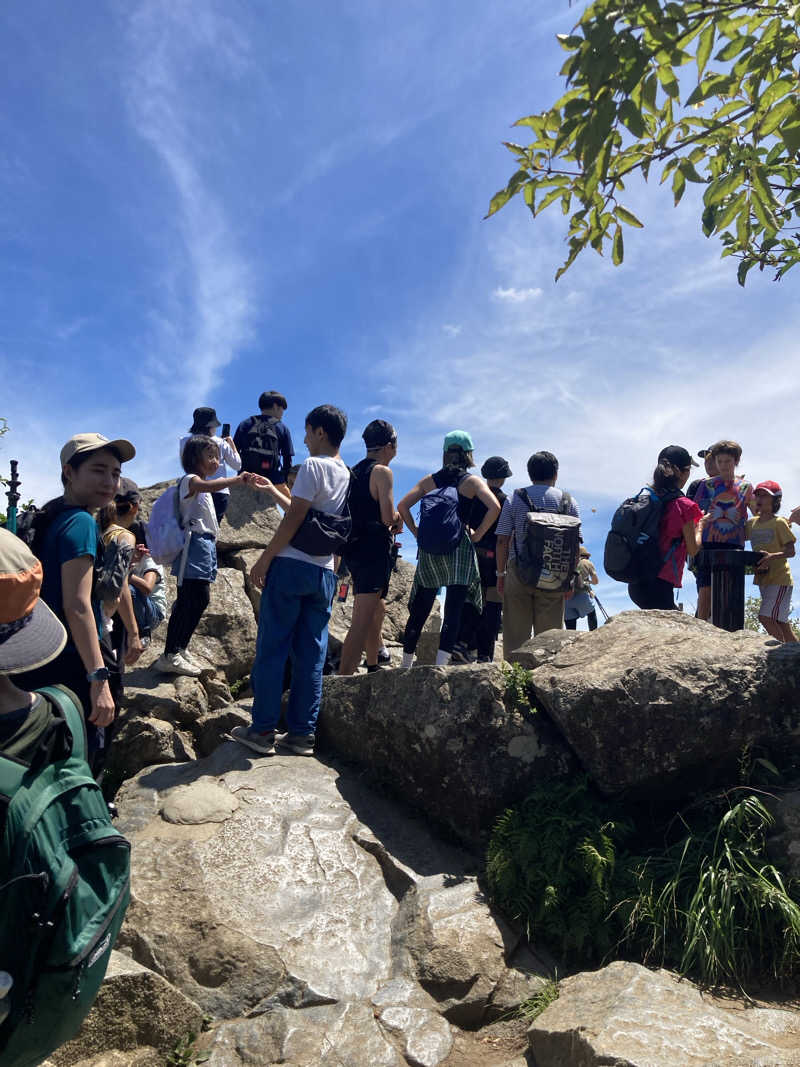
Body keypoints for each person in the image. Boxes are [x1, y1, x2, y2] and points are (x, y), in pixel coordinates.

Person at [12, 433, 137, 773]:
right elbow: (78, 605)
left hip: (38, 653)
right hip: (75, 661)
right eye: (98, 470)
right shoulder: (81, 522)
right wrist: (99, 680)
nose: (110, 481)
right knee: (81, 758)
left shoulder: (50, 516)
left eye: (115, 473)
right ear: (69, 471)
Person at [234, 405, 351, 757]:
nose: (303, 438)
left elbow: (296, 519)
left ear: (319, 431)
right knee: (311, 655)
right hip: (324, 572)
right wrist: (273, 490)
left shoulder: (313, 466)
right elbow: (313, 515)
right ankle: (302, 734)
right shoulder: (347, 474)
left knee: (272, 650)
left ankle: (263, 730)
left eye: (306, 431)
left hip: (290, 568)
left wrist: (265, 558)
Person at [397, 431, 501, 667]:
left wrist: (416, 532)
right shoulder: (472, 482)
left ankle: (405, 664)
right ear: (468, 455)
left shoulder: (429, 481)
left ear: (445, 453)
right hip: (459, 547)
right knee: (453, 609)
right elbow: (494, 508)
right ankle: (440, 665)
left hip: (430, 550)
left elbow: (402, 505)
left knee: (421, 607)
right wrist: (478, 535)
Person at [155, 435, 254, 678]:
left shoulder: (202, 482)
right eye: (210, 456)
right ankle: (170, 654)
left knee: (197, 599)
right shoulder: (191, 480)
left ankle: (179, 648)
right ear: (193, 459)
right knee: (193, 598)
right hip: (194, 545)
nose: (216, 460)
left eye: (217, 456)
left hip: (204, 544)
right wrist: (238, 480)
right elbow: (208, 486)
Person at [496, 450, 580, 654]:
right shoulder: (569, 502)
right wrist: (570, 579)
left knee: (516, 637)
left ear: (530, 474)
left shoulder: (515, 498)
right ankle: (544, 681)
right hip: (555, 571)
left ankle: (514, 682)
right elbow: (575, 545)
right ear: (556, 474)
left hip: (519, 571)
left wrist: (501, 575)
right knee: (549, 640)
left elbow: (502, 540)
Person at [339, 420, 402, 676]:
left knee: (377, 608)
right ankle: (342, 680)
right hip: (373, 551)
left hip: (352, 549)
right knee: (362, 620)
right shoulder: (382, 472)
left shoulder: (353, 472)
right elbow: (388, 517)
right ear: (389, 445)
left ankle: (374, 665)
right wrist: (398, 519)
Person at [625, 446, 706, 610]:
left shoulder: (646, 498)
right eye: (688, 470)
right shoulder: (684, 506)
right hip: (660, 584)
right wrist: (701, 526)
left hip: (636, 580)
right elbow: (693, 549)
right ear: (681, 472)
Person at [452, 455, 512, 663]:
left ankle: (462, 644)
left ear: (486, 476)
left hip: (471, 555)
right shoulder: (505, 501)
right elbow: (506, 536)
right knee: (492, 607)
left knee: (470, 601)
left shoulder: (476, 495)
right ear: (504, 478)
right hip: (495, 559)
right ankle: (485, 654)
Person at [693, 440, 753, 622]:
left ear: (736, 461)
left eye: (728, 461)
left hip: (734, 543)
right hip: (709, 540)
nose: (724, 466)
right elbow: (695, 512)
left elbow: (757, 511)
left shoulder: (746, 486)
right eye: (720, 462)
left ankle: (732, 628)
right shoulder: (707, 485)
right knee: (705, 586)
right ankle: (702, 625)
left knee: (732, 587)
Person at [746, 481, 797, 643]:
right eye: (758, 495)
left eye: (765, 495)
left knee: (765, 617)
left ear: (775, 501)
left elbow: (791, 551)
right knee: (781, 623)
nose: (760, 498)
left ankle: (780, 655)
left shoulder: (779, 523)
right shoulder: (751, 524)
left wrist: (770, 557)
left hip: (780, 579)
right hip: (763, 579)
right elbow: (738, 537)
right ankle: (795, 657)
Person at [179, 407, 241, 524]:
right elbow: (237, 465)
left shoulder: (184, 441)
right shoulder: (220, 442)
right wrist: (232, 445)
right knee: (212, 529)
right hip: (219, 491)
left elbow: (185, 464)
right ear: (210, 426)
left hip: (194, 488)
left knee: (191, 526)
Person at [234, 390, 294, 483]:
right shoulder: (282, 428)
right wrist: (284, 480)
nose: (283, 412)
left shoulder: (245, 424)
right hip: (272, 481)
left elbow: (234, 452)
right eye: (282, 408)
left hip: (246, 478)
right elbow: (287, 459)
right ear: (275, 406)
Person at [128, 518, 166, 643]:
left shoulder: (151, 559)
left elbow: (147, 587)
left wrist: (125, 574)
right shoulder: (130, 556)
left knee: (128, 589)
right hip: (140, 607)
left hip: (154, 613)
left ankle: (144, 631)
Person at [565, 546, 600, 630]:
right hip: (582, 595)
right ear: (586, 555)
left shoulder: (567, 562)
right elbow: (596, 581)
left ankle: (571, 642)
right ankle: (594, 635)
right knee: (591, 614)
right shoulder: (586, 562)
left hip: (566, 598)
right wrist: (588, 582)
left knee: (570, 629)